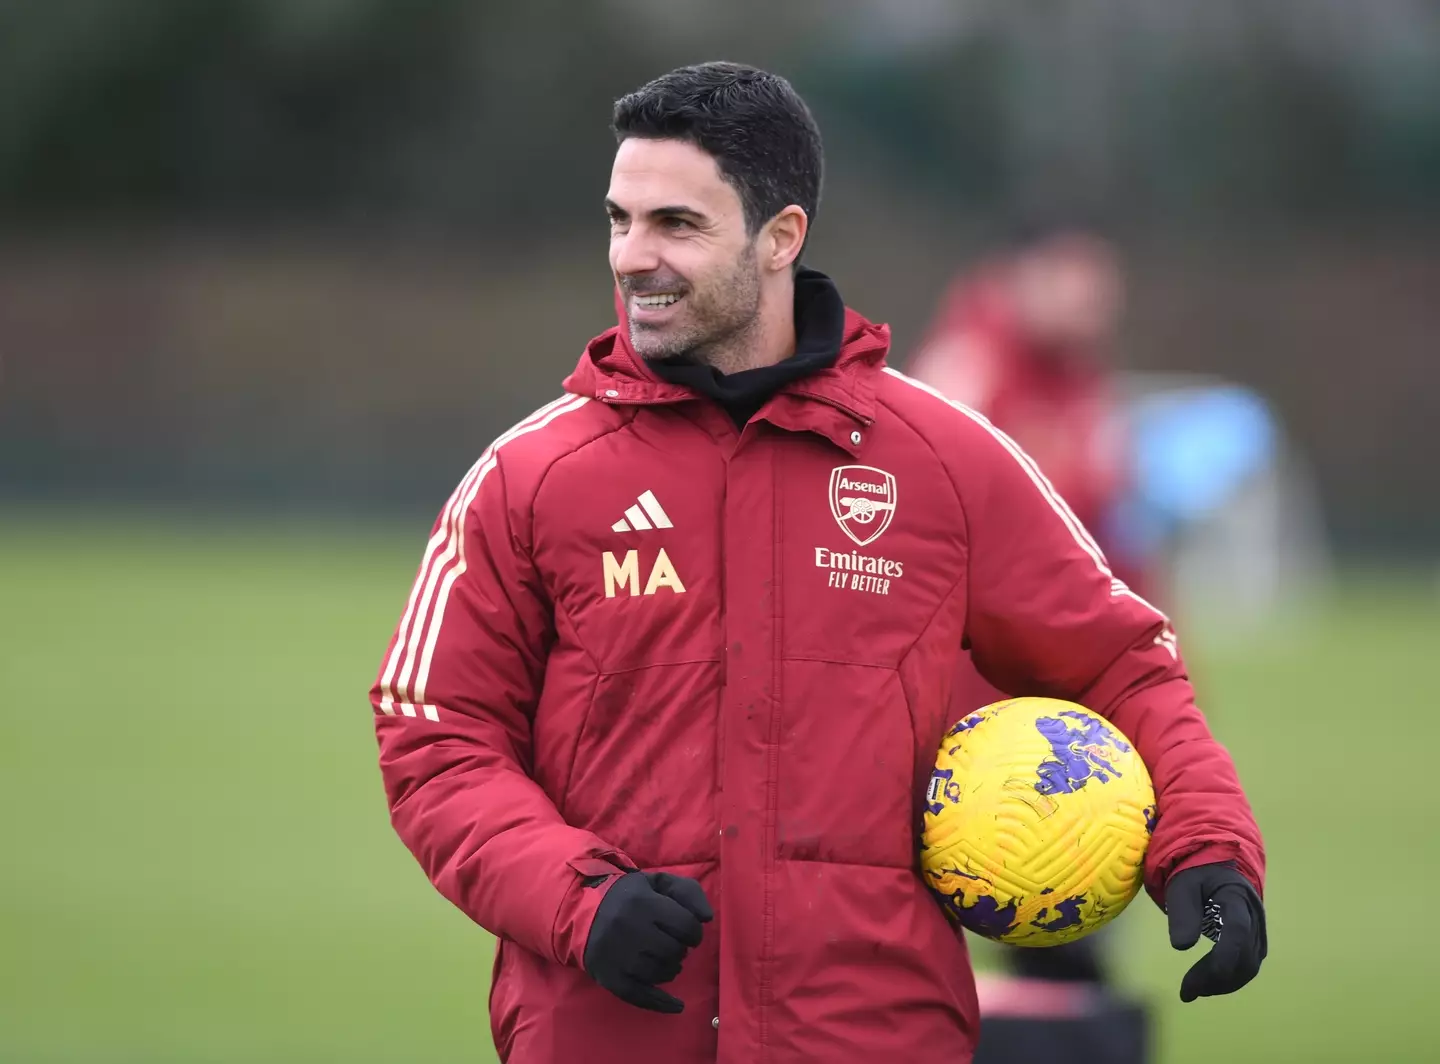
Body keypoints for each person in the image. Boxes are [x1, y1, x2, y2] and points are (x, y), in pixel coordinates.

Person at [368, 62, 1267, 1064]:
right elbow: (435, 734)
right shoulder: (527, 476)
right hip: (609, 1037)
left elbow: (1122, 659)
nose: (633, 256)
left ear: (781, 236)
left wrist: (1208, 845)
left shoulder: (945, 460)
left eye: (677, 224)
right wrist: (577, 894)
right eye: (620, 220)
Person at [906, 222, 1150, 993]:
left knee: (1065, 950)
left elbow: (1116, 546)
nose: (1091, 304)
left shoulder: (1085, 388)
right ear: (1017, 278)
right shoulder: (964, 375)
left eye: (1099, 288)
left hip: (1067, 713)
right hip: (975, 728)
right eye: (1071, 282)